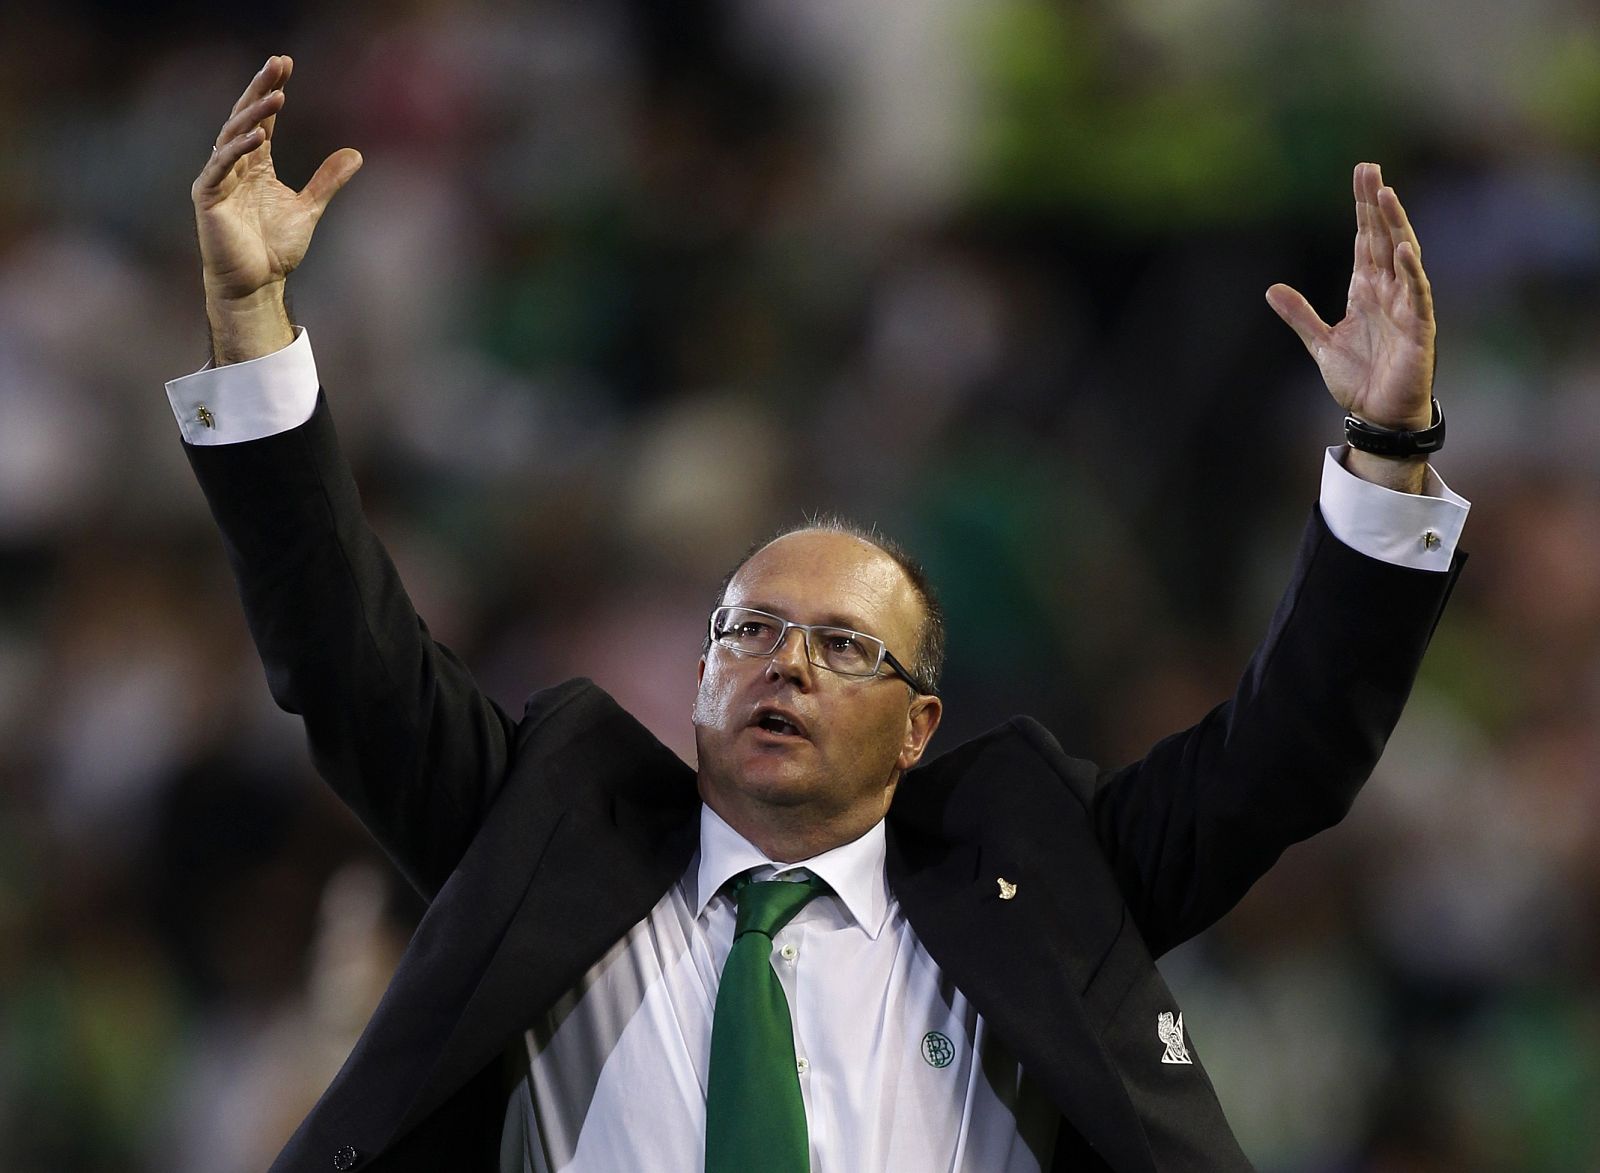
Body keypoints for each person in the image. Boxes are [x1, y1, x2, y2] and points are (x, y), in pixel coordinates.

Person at [170, 55, 1469, 1173]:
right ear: (695, 678)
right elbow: (342, 651)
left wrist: (1386, 441)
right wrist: (252, 321)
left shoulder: (1044, 873)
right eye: (747, 628)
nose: (782, 658)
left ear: (920, 727)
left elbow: (1285, 751)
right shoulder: (547, 825)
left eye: (843, 644)